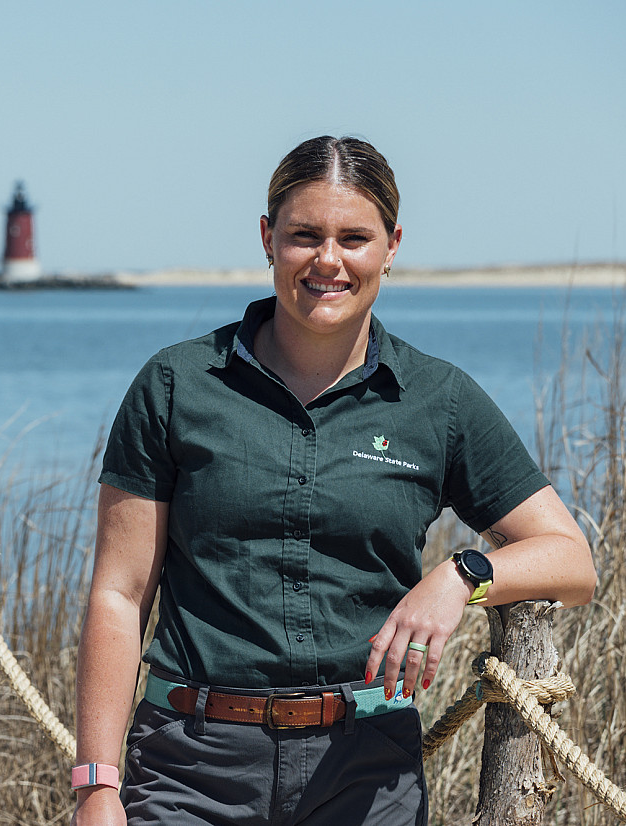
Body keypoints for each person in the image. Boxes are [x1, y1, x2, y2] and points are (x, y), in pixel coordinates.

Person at [71, 135, 597, 826]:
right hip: (191, 769)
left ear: (392, 245)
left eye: (354, 237)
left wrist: (459, 575)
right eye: (303, 236)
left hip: (366, 774)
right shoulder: (175, 385)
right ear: (267, 238)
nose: (328, 260)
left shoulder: (437, 400)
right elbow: (119, 592)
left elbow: (571, 560)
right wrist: (97, 785)